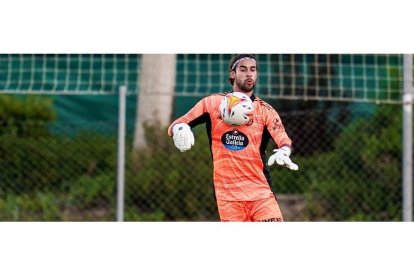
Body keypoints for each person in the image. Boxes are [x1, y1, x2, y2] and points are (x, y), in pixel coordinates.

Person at [167, 54, 298, 222]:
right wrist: (181, 129)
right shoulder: (212, 103)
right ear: (232, 74)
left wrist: (284, 151)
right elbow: (175, 125)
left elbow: (283, 139)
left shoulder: (265, 110)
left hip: (261, 193)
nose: (249, 74)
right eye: (243, 69)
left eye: (253, 69)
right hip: (228, 197)